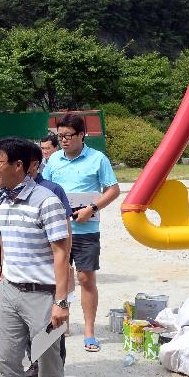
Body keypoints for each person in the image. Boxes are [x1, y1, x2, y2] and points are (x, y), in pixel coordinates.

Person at [0, 138, 70, 377]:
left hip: (43, 297)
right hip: (10, 293)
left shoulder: (46, 201)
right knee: (8, 359)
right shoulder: (4, 200)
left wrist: (61, 302)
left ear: (19, 166)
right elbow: (6, 241)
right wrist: (3, 274)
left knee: (49, 363)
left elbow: (61, 253)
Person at [43, 113, 120, 352]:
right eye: (60, 136)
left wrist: (93, 207)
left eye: (68, 136)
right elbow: (44, 188)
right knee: (58, 279)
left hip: (86, 229)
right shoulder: (54, 160)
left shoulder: (98, 159)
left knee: (85, 278)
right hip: (58, 230)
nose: (64, 140)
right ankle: (59, 325)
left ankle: (89, 331)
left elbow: (113, 189)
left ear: (82, 135)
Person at [24, 143, 71, 377]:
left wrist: (65, 264)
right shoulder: (12, 191)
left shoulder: (52, 191)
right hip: (23, 271)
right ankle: (34, 363)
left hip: (48, 270)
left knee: (52, 323)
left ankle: (55, 367)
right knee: (27, 323)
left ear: (34, 164)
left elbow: (65, 234)